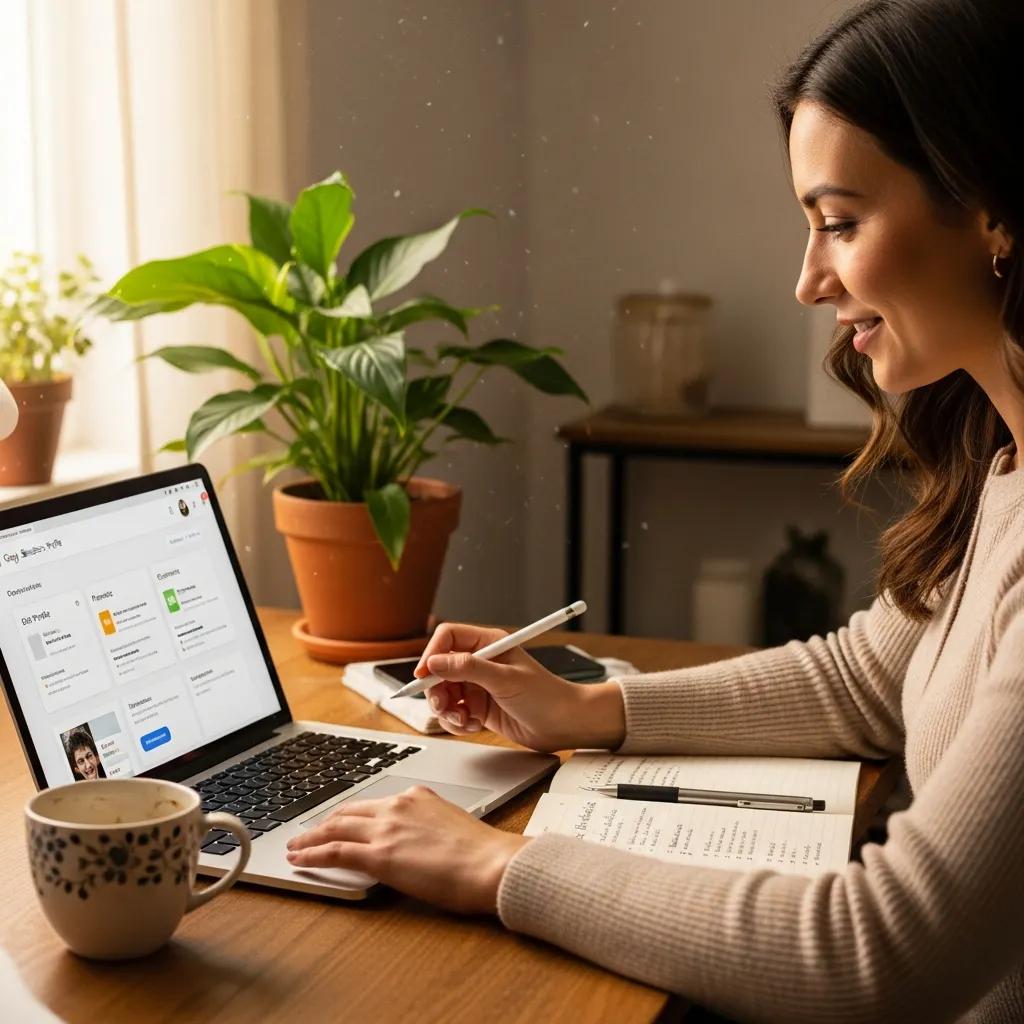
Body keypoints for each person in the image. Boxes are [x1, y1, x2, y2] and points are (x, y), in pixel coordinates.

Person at [287, 1, 1024, 1020]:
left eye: (840, 223)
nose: (807, 280)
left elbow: (880, 951)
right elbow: (866, 678)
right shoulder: (998, 457)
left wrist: (497, 866)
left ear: (992, 210)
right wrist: (592, 709)